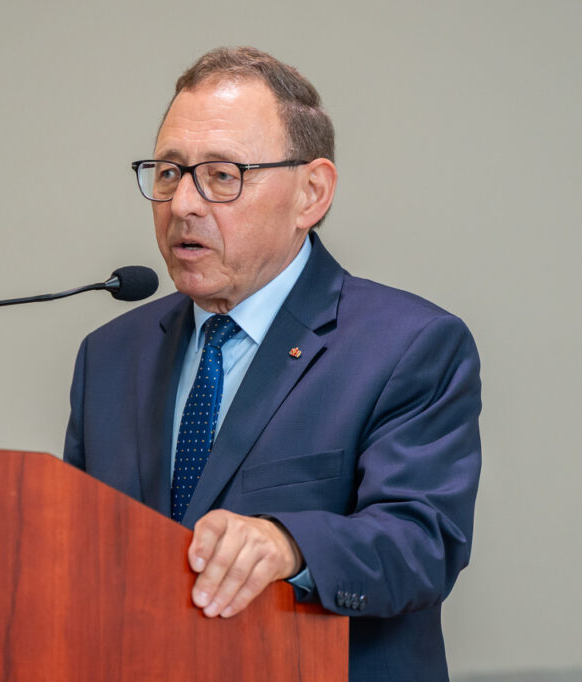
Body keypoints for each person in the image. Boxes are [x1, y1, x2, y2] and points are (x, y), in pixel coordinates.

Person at [64, 46, 481, 682]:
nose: (183, 204)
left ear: (311, 193)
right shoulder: (110, 355)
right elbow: (75, 553)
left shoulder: (408, 346)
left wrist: (289, 543)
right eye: (170, 172)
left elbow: (423, 542)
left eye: (222, 175)